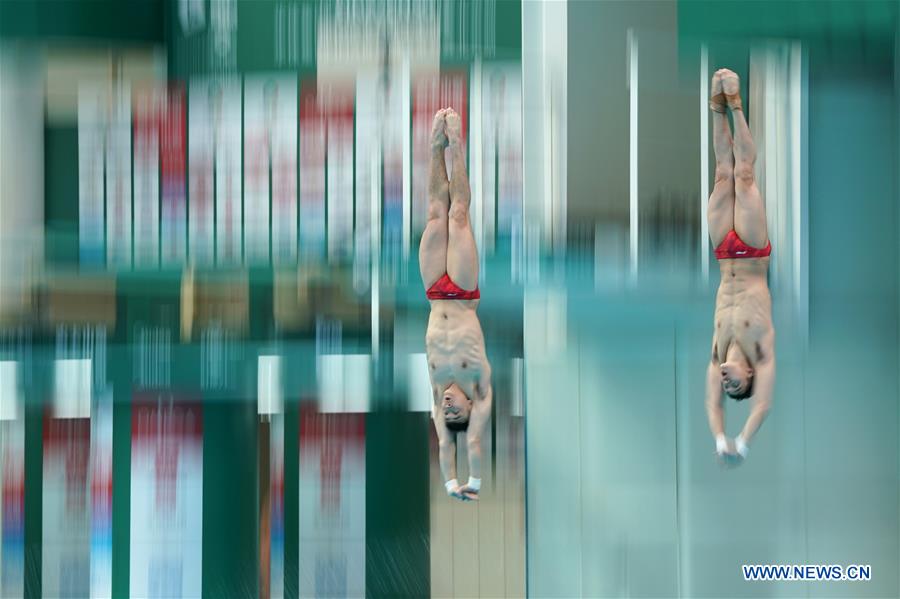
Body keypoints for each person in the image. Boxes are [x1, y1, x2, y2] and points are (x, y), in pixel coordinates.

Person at [420, 108, 493, 500]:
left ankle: (435, 149)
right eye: (455, 411)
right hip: (464, 295)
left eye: (446, 413)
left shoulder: (435, 395)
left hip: (434, 292)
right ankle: (458, 146)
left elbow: (446, 445)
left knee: (435, 215)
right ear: (470, 407)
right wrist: (473, 483)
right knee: (459, 215)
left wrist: (449, 484)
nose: (448, 407)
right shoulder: (478, 389)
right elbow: (471, 446)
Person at [705, 69, 775, 468]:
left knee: (722, 172)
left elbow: (711, 402)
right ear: (749, 374)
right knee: (745, 176)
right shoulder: (761, 351)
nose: (728, 384)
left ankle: (716, 108)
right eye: (737, 387)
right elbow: (763, 403)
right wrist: (741, 442)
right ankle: (736, 104)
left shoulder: (716, 356)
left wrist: (719, 438)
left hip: (722, 253)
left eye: (726, 387)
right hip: (750, 253)